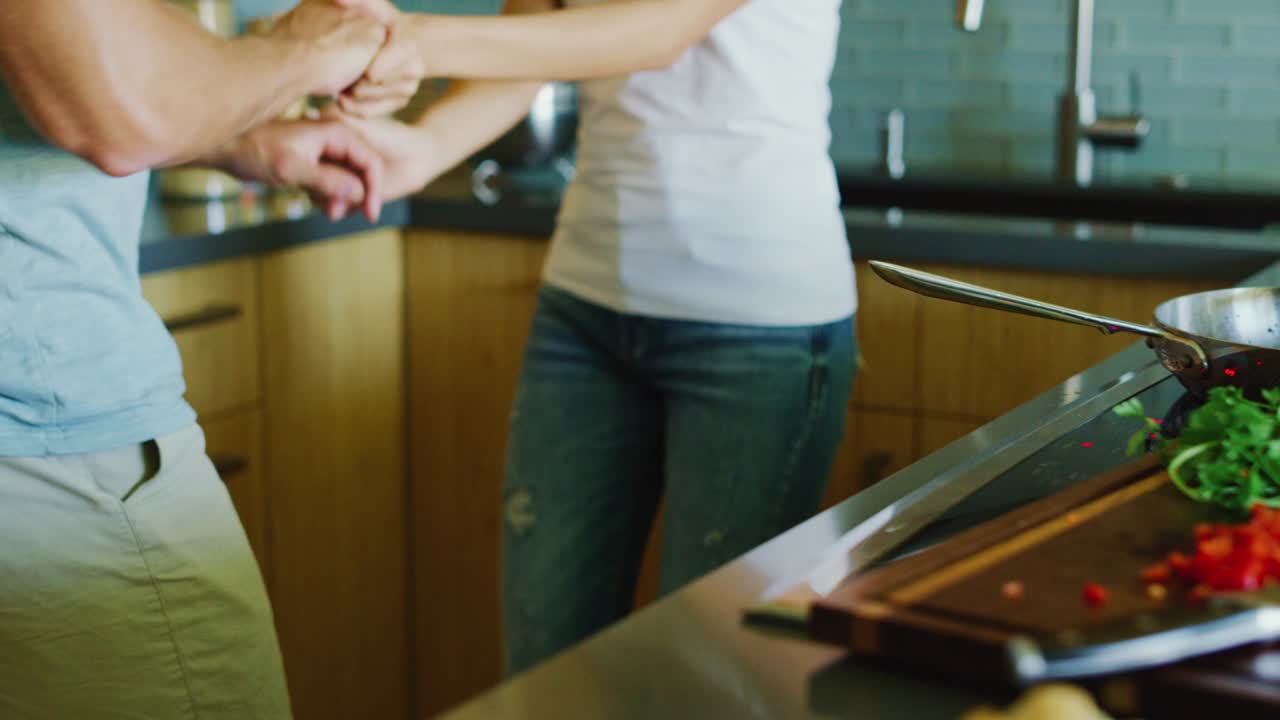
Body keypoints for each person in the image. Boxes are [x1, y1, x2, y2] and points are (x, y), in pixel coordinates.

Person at [338, 0, 858, 676]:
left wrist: (417, 39)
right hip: (584, 307)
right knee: (546, 669)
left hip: (758, 327)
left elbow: (658, 29)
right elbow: (533, 41)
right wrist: (425, 147)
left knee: (710, 679)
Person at [0, 1, 415, 716]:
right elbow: (115, 108)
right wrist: (307, 50)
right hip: (55, 447)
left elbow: (68, 66)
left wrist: (239, 139)